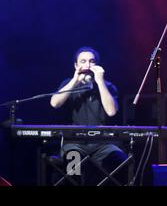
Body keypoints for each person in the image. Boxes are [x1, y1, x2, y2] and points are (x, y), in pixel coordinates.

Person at [50, 46, 128, 185]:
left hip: (103, 143)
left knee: (119, 160)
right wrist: (75, 80)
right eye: (83, 61)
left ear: (97, 65)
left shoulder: (108, 86)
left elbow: (111, 111)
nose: (87, 65)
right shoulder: (68, 85)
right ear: (76, 65)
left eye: (91, 61)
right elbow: (54, 103)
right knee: (72, 165)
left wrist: (100, 82)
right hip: (75, 143)